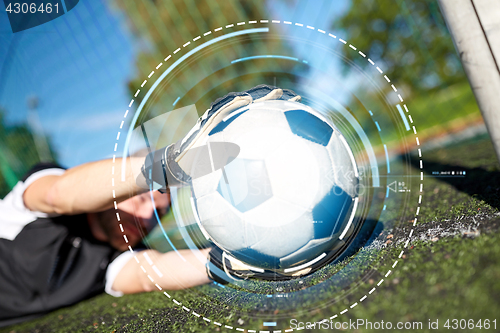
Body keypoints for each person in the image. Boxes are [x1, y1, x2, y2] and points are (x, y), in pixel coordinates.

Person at [0, 84, 301, 327]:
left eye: (158, 214)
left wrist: (236, 260)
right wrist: (169, 167)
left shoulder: (111, 261)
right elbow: (60, 193)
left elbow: (149, 272)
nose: (146, 218)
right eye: (143, 198)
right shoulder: (37, 193)